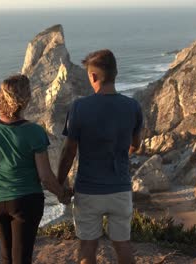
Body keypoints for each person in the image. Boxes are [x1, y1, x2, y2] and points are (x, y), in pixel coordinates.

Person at [58, 49, 143, 264]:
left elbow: (69, 151)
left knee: (87, 246)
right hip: (120, 188)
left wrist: (60, 184)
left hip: (88, 190)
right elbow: (136, 145)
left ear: (93, 77)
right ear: (115, 73)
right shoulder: (133, 107)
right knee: (122, 244)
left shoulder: (79, 107)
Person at [0, 74, 71, 264]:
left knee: (7, 255)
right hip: (26, 201)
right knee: (22, 257)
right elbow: (45, 176)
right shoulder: (34, 132)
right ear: (26, 99)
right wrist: (61, 193)